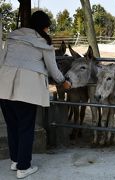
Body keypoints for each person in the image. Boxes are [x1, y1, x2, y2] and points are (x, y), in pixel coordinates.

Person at [0, 11, 71, 179]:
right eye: (47, 27)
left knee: (13, 127)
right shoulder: (43, 44)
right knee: (26, 128)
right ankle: (24, 168)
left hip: (3, 87)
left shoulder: (12, 38)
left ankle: (16, 161)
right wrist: (63, 82)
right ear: (44, 26)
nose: (48, 30)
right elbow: (53, 70)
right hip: (26, 90)